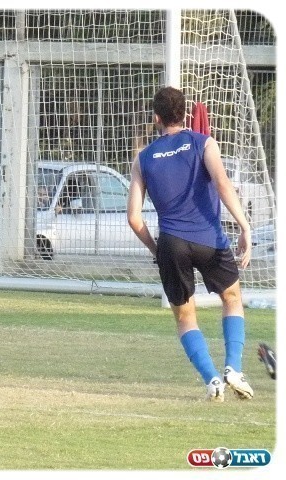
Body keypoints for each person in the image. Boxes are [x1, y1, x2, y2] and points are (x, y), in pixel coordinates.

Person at [127, 86, 253, 402]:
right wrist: (244, 226)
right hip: (209, 238)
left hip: (171, 243)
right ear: (184, 113)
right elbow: (223, 184)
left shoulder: (143, 159)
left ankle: (212, 381)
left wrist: (157, 250)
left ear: (156, 118)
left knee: (185, 318)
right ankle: (234, 369)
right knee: (232, 298)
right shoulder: (204, 143)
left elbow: (134, 218)